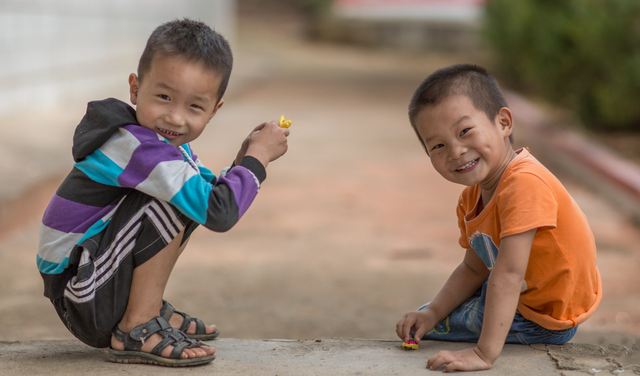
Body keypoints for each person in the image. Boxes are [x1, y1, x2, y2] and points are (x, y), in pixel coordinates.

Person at [37, 19, 289, 367]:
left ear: (214, 111)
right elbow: (219, 212)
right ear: (135, 89)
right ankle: (137, 324)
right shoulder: (134, 147)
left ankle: (146, 310)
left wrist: (241, 160)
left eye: (194, 107)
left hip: (93, 278)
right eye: (164, 97)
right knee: (174, 199)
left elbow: (211, 199)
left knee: (189, 195)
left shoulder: (160, 148)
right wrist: (257, 159)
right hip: (80, 292)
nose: (175, 117)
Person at [395, 64, 601, 372]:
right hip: (522, 295)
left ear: (503, 122)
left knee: (435, 325)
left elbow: (507, 275)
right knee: (426, 316)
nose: (456, 150)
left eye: (465, 131)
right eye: (438, 145)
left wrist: (483, 353)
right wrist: (433, 311)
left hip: (544, 317)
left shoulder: (525, 184)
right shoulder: (471, 197)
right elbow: (473, 268)